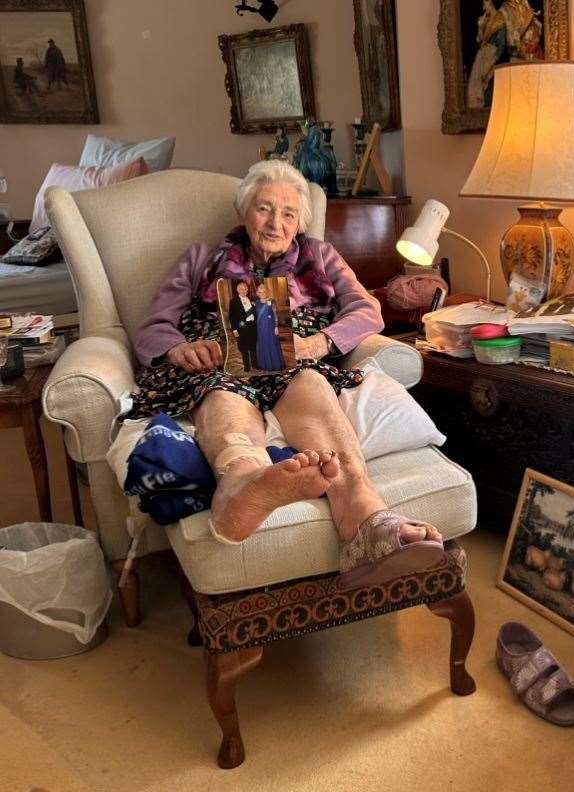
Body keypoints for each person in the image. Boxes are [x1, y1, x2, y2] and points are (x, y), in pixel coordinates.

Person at [129, 160, 444, 584]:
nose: (275, 222)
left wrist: (321, 342)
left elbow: (366, 309)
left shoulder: (320, 256)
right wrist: (182, 349)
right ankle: (242, 485)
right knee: (223, 395)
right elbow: (153, 325)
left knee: (312, 385)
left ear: (299, 223)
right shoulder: (202, 259)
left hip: (297, 358)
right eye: (264, 209)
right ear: (244, 213)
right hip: (219, 361)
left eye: (288, 213)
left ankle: (365, 517)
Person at [254, 280, 285, 371]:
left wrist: (276, 326)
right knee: (263, 344)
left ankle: (275, 364)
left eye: (263, 291)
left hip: (270, 327)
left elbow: (275, 314)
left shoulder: (271, 301)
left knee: (272, 344)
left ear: (266, 291)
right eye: (260, 292)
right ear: (257, 293)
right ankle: (265, 365)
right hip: (260, 328)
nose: (262, 293)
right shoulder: (256, 303)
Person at [227, 280, 258, 371]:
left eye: (245, 289)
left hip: (252, 326)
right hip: (242, 328)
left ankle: (254, 364)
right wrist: (234, 330)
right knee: (244, 348)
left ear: (247, 290)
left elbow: (255, 313)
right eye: (241, 289)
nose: (243, 291)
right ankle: (247, 366)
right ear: (237, 290)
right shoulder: (233, 301)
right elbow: (231, 316)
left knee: (253, 347)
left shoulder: (251, 300)